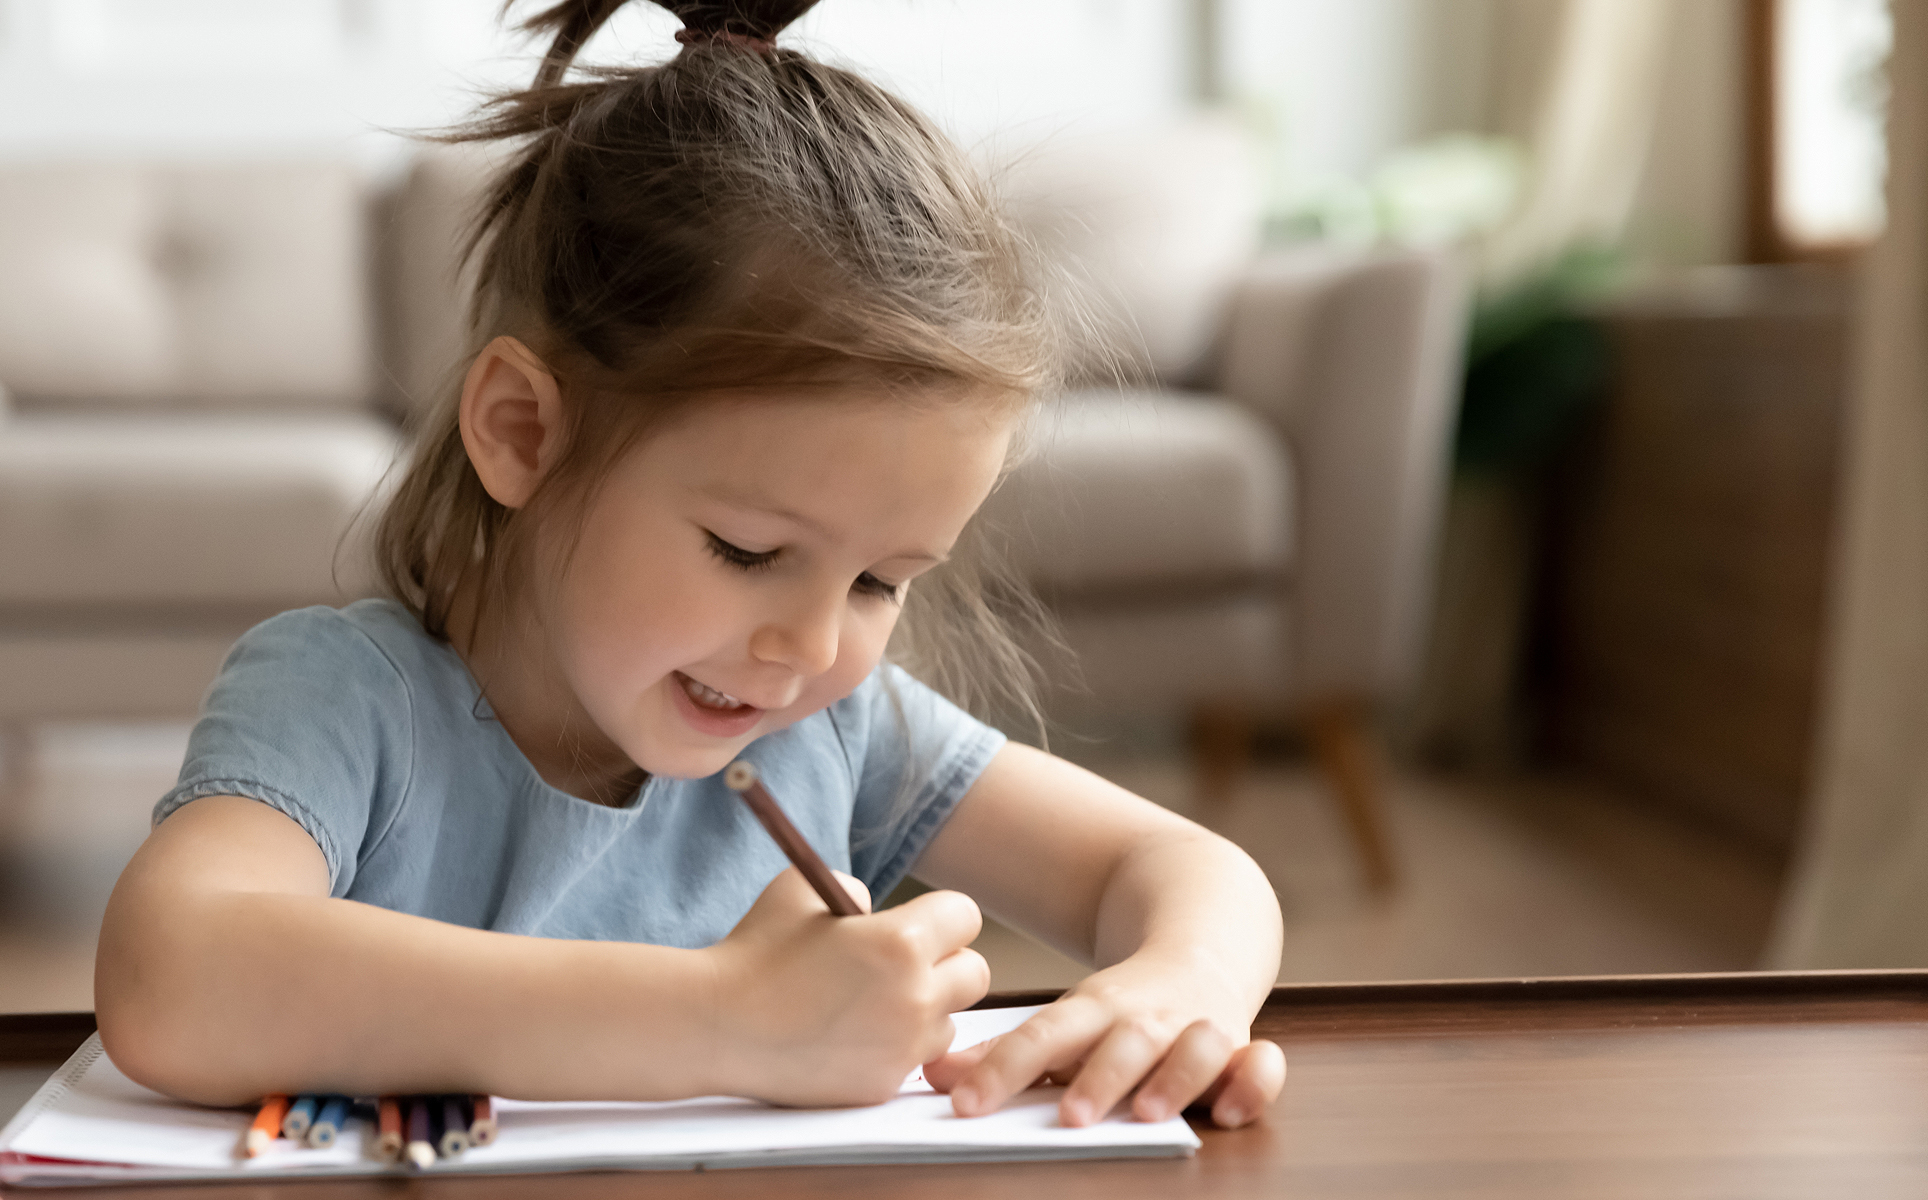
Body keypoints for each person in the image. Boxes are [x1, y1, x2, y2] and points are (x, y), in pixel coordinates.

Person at [95, 0, 1287, 1131]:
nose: (814, 647)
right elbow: (170, 976)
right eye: (749, 551)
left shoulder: (829, 730)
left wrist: (1184, 982)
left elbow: (1182, 867)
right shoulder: (344, 700)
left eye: (881, 581)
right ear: (523, 433)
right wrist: (729, 1021)